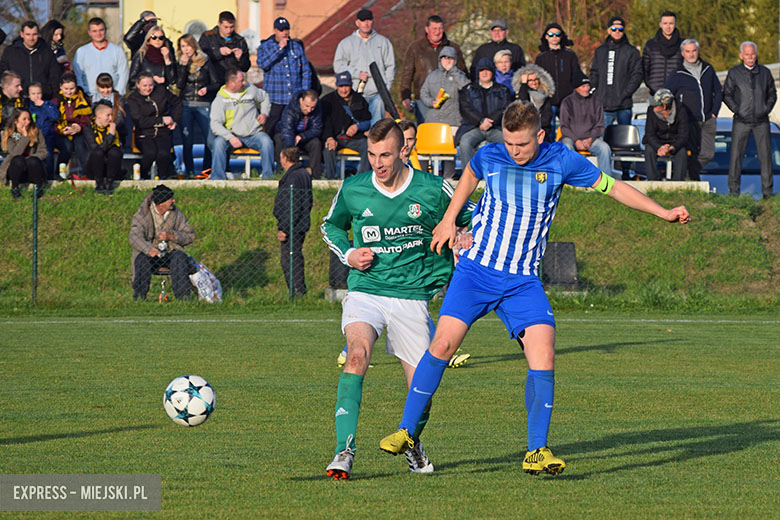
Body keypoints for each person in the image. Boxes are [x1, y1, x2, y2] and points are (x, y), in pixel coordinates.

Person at [379, 100, 691, 477]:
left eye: (523, 144)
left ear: (540, 135)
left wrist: (663, 212)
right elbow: (469, 176)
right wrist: (449, 220)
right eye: (510, 143)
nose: (515, 151)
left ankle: (537, 451)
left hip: (522, 281)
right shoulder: (491, 155)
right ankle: (407, 431)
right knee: (442, 344)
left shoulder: (562, 160)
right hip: (476, 273)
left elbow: (613, 188)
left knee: (543, 354)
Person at [321, 118, 473, 480]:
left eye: (385, 155)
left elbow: (471, 218)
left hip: (411, 296)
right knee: (356, 355)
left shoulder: (433, 189)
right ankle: (344, 451)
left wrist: (463, 234)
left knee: (422, 388)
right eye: (372, 155)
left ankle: (412, 442)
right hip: (366, 290)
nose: (378, 163)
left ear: (403, 151)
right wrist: (349, 253)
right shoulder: (354, 188)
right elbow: (330, 225)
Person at [724, 42, 777, 198]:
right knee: (736, 157)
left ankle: (767, 192)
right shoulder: (734, 72)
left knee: (766, 157)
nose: (750, 57)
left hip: (762, 121)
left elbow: (772, 94)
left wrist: (765, 109)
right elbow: (726, 95)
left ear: (756, 54)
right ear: (741, 56)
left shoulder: (765, 72)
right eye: (747, 54)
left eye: (752, 53)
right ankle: (734, 192)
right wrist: (738, 110)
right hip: (741, 121)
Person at [665, 39, 722, 181]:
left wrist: (714, 112)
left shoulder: (708, 69)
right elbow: (667, 96)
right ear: (682, 53)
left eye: (694, 51)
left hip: (708, 119)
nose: (691, 54)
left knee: (707, 154)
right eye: (688, 51)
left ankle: (688, 174)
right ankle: (690, 180)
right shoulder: (677, 74)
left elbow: (718, 91)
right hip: (689, 120)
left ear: (698, 51)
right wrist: (676, 116)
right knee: (691, 153)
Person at [129, 184, 195, 301]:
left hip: (170, 252)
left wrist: (172, 236)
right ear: (161, 204)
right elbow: (134, 237)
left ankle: (183, 298)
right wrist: (149, 249)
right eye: (170, 199)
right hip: (150, 254)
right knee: (141, 260)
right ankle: (139, 298)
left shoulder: (177, 214)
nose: (174, 201)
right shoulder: (141, 215)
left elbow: (190, 236)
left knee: (180, 258)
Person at [333, 8, 396, 126]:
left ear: (373, 21)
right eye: (363, 20)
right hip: (356, 94)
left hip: (378, 94)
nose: (366, 23)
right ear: (357, 23)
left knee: (377, 128)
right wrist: (357, 74)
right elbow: (338, 66)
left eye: (369, 20)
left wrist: (386, 88)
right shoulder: (346, 43)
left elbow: (390, 66)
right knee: (358, 126)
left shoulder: (383, 42)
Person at [400, 15, 467, 123]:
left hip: (450, 100)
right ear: (427, 29)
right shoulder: (415, 48)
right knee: (427, 129)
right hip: (423, 99)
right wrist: (405, 96)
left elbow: (463, 72)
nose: (437, 32)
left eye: (440, 28)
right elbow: (407, 74)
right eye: (434, 28)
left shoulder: (453, 48)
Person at [209, 68, 274, 180]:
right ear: (231, 83)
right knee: (218, 143)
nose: (244, 83)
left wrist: (264, 113)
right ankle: (217, 178)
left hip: (254, 134)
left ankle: (268, 177)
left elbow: (264, 97)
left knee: (266, 141)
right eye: (241, 81)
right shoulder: (219, 100)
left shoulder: (250, 90)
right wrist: (230, 137)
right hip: (232, 136)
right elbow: (215, 124)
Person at [418, 46, 469, 179]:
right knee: (424, 149)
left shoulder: (460, 75)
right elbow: (423, 93)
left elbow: (466, 89)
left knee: (448, 150)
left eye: (450, 58)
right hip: (432, 120)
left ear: (455, 60)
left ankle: (448, 177)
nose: (447, 61)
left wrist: (454, 71)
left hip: (453, 120)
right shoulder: (432, 75)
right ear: (440, 59)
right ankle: (423, 176)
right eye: (444, 58)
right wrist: (431, 102)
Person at [257, 16, 311, 137]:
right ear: (275, 30)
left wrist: (304, 93)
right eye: (281, 30)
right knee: (270, 132)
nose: (285, 33)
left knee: (293, 131)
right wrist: (279, 49)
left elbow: (306, 71)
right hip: (274, 99)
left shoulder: (296, 47)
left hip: (293, 99)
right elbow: (262, 64)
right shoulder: (265, 46)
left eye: (286, 29)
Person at [456, 57, 513, 172]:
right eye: (482, 70)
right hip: (473, 127)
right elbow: (465, 109)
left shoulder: (503, 90)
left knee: (509, 143)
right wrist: (481, 121)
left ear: (493, 72)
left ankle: (506, 173)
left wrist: (491, 120)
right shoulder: (468, 90)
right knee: (465, 143)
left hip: (496, 127)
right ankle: (469, 175)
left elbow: (506, 108)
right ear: (478, 73)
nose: (485, 73)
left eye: (488, 70)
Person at [176, 34, 220, 177]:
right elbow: (179, 85)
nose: (186, 49)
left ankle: (206, 171)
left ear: (194, 46)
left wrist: (207, 89)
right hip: (187, 103)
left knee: (209, 139)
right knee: (187, 140)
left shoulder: (205, 61)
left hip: (203, 103)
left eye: (188, 46)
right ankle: (189, 172)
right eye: (183, 46)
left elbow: (216, 83)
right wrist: (183, 67)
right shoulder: (180, 63)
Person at [127, 73, 182, 180]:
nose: (148, 88)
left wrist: (175, 120)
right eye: (144, 86)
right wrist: (161, 120)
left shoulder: (161, 92)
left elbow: (177, 103)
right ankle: (143, 175)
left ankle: (163, 177)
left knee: (163, 154)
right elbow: (139, 121)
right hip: (144, 134)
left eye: (150, 85)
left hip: (163, 133)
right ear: (138, 85)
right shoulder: (133, 98)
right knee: (150, 153)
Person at [589, 16, 643, 127]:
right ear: (609, 30)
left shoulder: (632, 52)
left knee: (624, 135)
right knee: (603, 136)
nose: (617, 32)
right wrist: (596, 92)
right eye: (614, 29)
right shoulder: (600, 51)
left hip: (623, 105)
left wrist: (625, 94)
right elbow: (594, 73)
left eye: (620, 29)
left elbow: (637, 75)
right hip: (604, 106)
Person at [273, 147, 313, 296]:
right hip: (299, 224)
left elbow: (292, 206)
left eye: (281, 157)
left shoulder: (293, 177)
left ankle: (297, 291)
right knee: (294, 257)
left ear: (286, 158)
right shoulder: (303, 173)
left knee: (290, 260)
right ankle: (298, 291)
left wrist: (284, 228)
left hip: (293, 226)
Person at [560, 72, 615, 176]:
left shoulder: (596, 101)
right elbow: (564, 127)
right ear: (576, 88)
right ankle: (572, 178)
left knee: (605, 148)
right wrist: (576, 140)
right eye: (583, 86)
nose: (586, 89)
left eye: (588, 86)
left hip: (591, 140)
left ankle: (606, 180)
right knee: (566, 146)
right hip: (571, 139)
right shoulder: (567, 102)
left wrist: (590, 139)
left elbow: (600, 126)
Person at [321, 71, 371, 179]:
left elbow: (367, 121)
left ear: (351, 85)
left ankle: (362, 178)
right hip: (335, 138)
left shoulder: (359, 99)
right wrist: (329, 137)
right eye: (341, 86)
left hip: (354, 138)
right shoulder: (327, 101)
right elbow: (324, 123)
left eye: (346, 86)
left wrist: (357, 127)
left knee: (368, 145)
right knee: (328, 148)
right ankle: (331, 179)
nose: (344, 90)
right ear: (336, 86)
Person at [535, 23, 581, 127]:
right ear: (546, 37)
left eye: (557, 34)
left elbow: (577, 75)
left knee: (570, 129)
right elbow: (537, 79)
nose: (554, 37)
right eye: (551, 34)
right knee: (548, 130)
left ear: (561, 36)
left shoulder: (570, 55)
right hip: (548, 101)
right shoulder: (541, 58)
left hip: (567, 100)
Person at [0, 21, 61, 100]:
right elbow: (3, 74)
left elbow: (55, 76)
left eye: (34, 34)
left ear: (38, 34)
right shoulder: (10, 51)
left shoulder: (47, 51)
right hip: (18, 99)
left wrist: (54, 98)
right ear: (22, 34)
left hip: (43, 99)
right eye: (28, 34)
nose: (31, 38)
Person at [73, 17, 129, 99]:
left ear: (105, 30)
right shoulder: (81, 52)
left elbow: (123, 74)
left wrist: (118, 94)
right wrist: (83, 92)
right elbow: (78, 75)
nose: (98, 33)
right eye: (94, 31)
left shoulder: (118, 51)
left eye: (101, 30)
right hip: (88, 97)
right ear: (89, 32)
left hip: (112, 97)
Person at [275, 89, 323, 179]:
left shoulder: (317, 109)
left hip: (304, 137)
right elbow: (287, 130)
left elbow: (317, 129)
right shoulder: (290, 109)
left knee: (316, 143)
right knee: (280, 140)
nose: (309, 110)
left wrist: (302, 136)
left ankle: (316, 176)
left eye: (312, 107)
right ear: (301, 100)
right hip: (288, 135)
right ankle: (281, 173)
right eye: (307, 106)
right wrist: (291, 148)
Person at [642, 88, 689, 181]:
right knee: (649, 150)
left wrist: (672, 147)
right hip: (657, 141)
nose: (652, 107)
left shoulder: (681, 111)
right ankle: (653, 180)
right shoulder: (651, 111)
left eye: (655, 105)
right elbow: (649, 133)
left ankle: (678, 182)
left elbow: (683, 135)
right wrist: (659, 147)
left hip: (674, 141)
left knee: (682, 152)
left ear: (664, 106)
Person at [0, 108, 47, 198]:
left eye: (29, 119)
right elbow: (15, 153)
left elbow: (43, 151)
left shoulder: (36, 131)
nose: (27, 122)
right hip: (15, 169)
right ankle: (15, 188)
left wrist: (30, 159)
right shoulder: (9, 134)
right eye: (24, 119)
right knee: (18, 159)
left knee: (33, 161)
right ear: (16, 120)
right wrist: (25, 137)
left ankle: (38, 189)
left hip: (32, 168)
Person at [53, 72, 91, 174]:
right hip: (61, 132)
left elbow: (87, 118)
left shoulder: (83, 100)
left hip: (78, 131)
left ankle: (86, 173)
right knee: (67, 147)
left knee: (81, 146)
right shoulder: (56, 101)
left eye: (72, 89)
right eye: (66, 89)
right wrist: (60, 130)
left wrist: (79, 127)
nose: (69, 92)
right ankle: (59, 173)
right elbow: (52, 121)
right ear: (60, 86)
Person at [198, 11, 250, 84]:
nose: (229, 30)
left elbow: (246, 67)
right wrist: (218, 52)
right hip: (212, 82)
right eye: (226, 27)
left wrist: (240, 58)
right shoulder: (208, 36)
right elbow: (200, 59)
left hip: (232, 83)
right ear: (219, 24)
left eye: (232, 27)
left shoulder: (240, 41)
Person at [83, 101, 123, 193]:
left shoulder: (112, 128)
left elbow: (118, 149)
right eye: (108, 115)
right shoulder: (88, 129)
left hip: (110, 168)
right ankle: (99, 183)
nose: (110, 119)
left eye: (111, 115)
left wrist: (112, 133)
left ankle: (109, 183)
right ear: (99, 116)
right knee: (98, 152)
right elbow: (96, 149)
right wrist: (110, 135)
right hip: (94, 167)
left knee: (115, 152)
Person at [642, 11, 683, 95]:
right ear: (660, 24)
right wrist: (651, 86)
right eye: (665, 23)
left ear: (675, 24)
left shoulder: (683, 45)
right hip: (655, 93)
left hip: (677, 92)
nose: (668, 26)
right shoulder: (650, 45)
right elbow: (645, 68)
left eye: (671, 23)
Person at [513, 65, 555, 142]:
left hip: (543, 132)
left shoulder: (546, 95)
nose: (534, 82)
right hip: (525, 132)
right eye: (530, 80)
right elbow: (523, 104)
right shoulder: (523, 94)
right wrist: (524, 84)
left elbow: (547, 118)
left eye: (536, 79)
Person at [26, 82, 59, 180]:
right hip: (31, 135)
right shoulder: (28, 107)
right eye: (33, 94)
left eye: (38, 93)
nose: (36, 96)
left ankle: (49, 177)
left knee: (48, 154)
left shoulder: (48, 104)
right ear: (29, 95)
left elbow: (54, 116)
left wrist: (43, 105)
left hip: (47, 135)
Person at [93, 73, 129, 149]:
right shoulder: (93, 98)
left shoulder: (118, 98)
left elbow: (120, 117)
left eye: (108, 87)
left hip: (115, 130)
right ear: (97, 86)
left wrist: (111, 126)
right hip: (97, 131)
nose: (106, 91)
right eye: (102, 88)